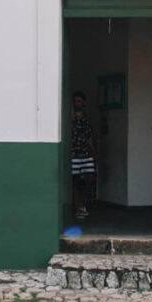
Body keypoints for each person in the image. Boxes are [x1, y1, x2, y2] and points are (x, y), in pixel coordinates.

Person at [70, 91, 97, 219]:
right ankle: (78, 207)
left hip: (86, 153)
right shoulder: (70, 118)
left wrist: (94, 153)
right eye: (75, 101)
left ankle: (80, 203)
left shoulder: (86, 119)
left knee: (90, 178)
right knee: (74, 180)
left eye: (79, 101)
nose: (77, 103)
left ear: (84, 102)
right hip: (74, 153)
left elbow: (89, 137)